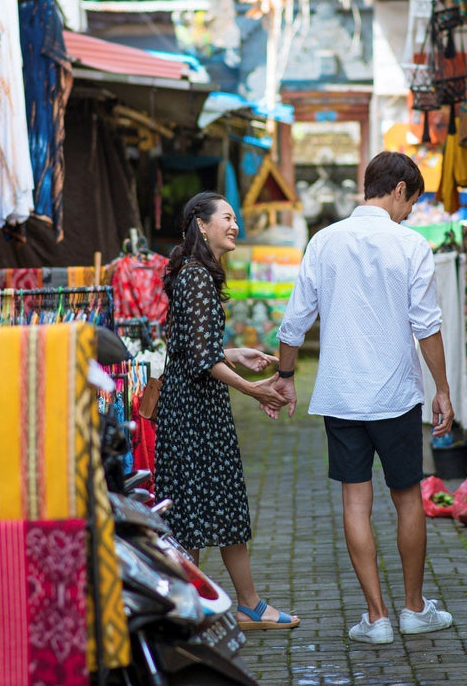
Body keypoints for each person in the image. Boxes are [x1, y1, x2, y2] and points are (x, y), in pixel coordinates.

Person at [269, 151, 454, 644]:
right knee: (407, 498)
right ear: (398, 190)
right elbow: (427, 327)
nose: (409, 213)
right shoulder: (411, 245)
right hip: (395, 395)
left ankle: (376, 618)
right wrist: (442, 389)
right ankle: (414, 609)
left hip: (341, 395)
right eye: (410, 203)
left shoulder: (324, 241)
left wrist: (285, 375)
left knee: (355, 501)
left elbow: (294, 320)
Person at [154, 191, 300, 631]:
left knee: (210, 509)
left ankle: (236, 606)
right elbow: (201, 358)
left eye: (235, 219)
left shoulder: (193, 272)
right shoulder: (197, 276)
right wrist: (254, 390)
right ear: (201, 225)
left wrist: (233, 353)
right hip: (194, 413)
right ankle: (190, 613)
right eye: (227, 218)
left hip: (193, 408)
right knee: (196, 513)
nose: (235, 225)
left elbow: (191, 346)